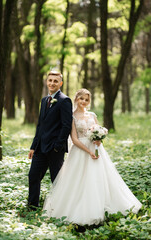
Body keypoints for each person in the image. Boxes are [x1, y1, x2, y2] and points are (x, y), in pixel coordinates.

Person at [43, 88, 142, 226]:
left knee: (99, 178)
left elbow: (98, 130)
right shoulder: (71, 116)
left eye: (86, 99)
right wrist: (88, 151)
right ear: (76, 99)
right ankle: (79, 208)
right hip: (80, 151)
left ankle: (104, 206)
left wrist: (99, 140)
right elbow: (74, 139)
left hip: (96, 149)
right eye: (81, 98)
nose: (83, 102)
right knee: (79, 180)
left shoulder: (92, 115)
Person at [28, 71, 72, 209]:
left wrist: (58, 146)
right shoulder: (44, 100)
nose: (52, 83)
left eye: (55, 81)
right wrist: (33, 146)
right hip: (40, 147)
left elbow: (66, 125)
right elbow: (40, 125)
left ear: (60, 83)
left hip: (54, 148)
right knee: (33, 175)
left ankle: (60, 208)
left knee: (57, 180)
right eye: (50, 80)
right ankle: (32, 206)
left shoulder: (65, 100)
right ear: (47, 82)